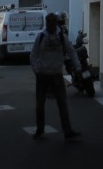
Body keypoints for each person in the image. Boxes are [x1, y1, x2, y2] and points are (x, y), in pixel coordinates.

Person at [30, 11, 82, 141]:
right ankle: (40, 130)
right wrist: (37, 70)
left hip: (57, 75)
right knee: (40, 104)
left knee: (62, 103)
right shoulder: (41, 36)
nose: (50, 24)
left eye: (53, 22)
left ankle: (67, 131)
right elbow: (33, 54)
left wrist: (78, 66)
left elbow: (71, 51)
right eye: (49, 22)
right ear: (46, 23)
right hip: (43, 75)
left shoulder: (61, 37)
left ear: (56, 23)